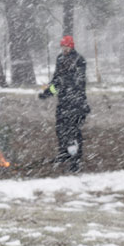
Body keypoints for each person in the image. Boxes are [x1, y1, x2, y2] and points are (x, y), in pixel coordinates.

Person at [39, 35, 90, 172]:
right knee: (60, 129)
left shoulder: (79, 60)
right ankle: (64, 153)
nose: (64, 49)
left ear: (71, 46)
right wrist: (48, 92)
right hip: (63, 103)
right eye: (62, 47)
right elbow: (56, 80)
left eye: (66, 46)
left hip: (77, 103)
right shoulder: (60, 59)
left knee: (73, 132)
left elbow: (78, 81)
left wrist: (63, 83)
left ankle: (75, 160)